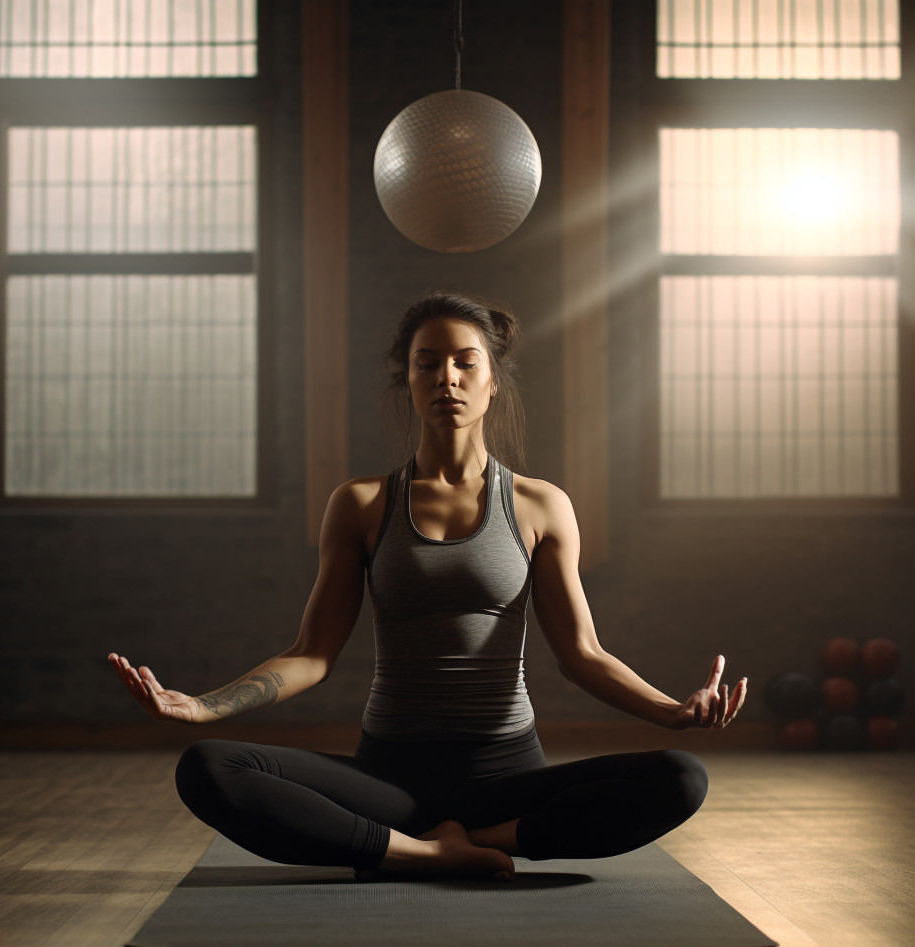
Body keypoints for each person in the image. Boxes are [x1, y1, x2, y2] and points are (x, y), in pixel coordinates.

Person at [109, 291, 746, 882]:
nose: (447, 377)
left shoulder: (540, 505)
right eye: (427, 364)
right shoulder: (360, 504)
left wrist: (673, 712)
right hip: (390, 778)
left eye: (466, 363)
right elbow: (312, 655)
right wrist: (203, 706)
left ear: (493, 382)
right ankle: (425, 853)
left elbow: (582, 655)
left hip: (506, 773)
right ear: (409, 383)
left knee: (680, 778)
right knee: (208, 767)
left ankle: (485, 837)